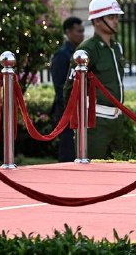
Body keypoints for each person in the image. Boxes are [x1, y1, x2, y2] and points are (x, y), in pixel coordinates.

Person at [63, 0, 126, 160]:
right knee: (94, 175)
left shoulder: (116, 47)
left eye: (117, 17)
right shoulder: (86, 50)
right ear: (97, 21)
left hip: (117, 120)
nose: (116, 21)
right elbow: (70, 88)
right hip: (95, 122)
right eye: (111, 17)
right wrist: (77, 122)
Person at [50, 16, 85, 162]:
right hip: (65, 108)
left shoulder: (80, 54)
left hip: (78, 107)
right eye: (78, 31)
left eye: (83, 31)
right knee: (68, 149)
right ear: (68, 32)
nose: (82, 34)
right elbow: (60, 86)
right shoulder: (62, 55)